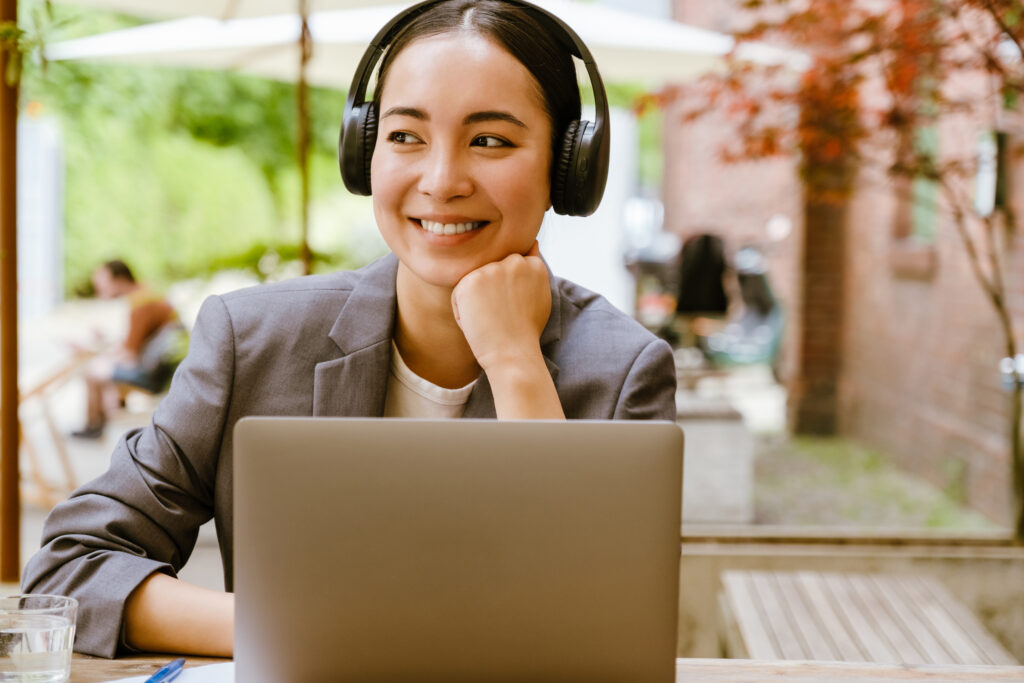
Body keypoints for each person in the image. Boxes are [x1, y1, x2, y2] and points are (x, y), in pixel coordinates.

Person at [23, 0, 677, 659]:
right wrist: (292, 629)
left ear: (568, 169)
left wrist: (514, 361)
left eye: (490, 140)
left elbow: (593, 631)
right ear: (363, 152)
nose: (441, 179)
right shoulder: (250, 340)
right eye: (405, 136)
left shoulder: (624, 372)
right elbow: (69, 569)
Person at [70, 259, 187, 439]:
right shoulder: (148, 295)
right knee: (101, 365)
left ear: (119, 280)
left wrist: (92, 353)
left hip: (154, 375)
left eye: (102, 283)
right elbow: (133, 344)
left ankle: (94, 427)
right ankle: (101, 423)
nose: (99, 289)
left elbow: (129, 353)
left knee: (93, 371)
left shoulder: (141, 304)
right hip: (162, 368)